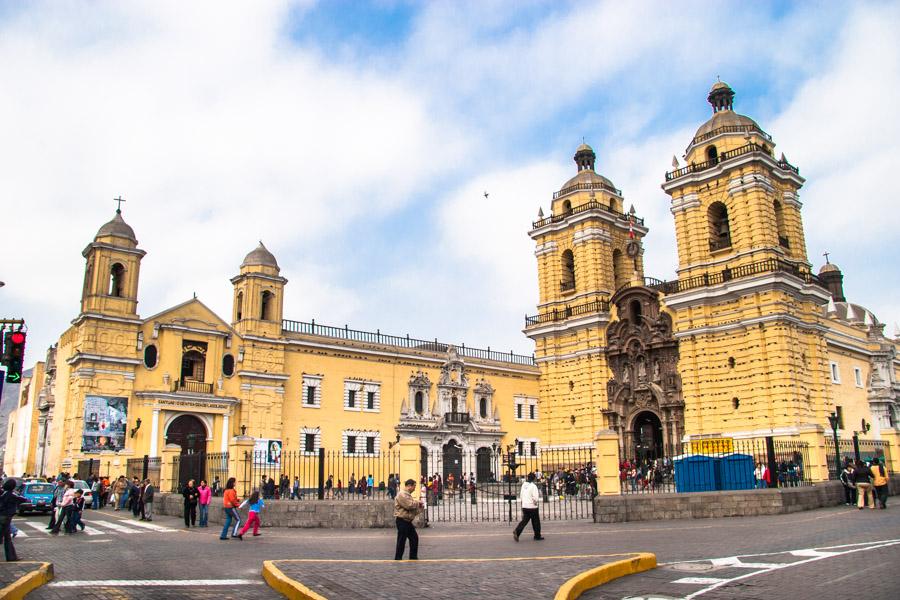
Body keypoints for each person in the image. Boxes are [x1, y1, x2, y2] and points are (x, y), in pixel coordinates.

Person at [394, 479, 423, 560]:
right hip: (402, 520)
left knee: (414, 538)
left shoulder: (407, 495)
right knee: (401, 540)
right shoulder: (402, 494)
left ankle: (413, 556)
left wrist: (419, 508)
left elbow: (412, 510)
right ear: (409, 486)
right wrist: (418, 502)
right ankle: (398, 557)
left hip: (407, 521)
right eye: (414, 486)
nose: (414, 488)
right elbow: (409, 505)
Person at [0, 478, 27, 561]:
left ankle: (11, 557)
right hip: (5, 517)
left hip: (3, 517)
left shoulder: (3, 493)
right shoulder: (11, 494)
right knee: (3, 537)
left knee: (7, 538)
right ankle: (11, 557)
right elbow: (23, 499)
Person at [513, 472, 544, 542]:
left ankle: (517, 531)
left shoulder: (523, 485)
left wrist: (524, 502)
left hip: (525, 506)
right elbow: (535, 498)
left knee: (525, 520)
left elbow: (521, 495)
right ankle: (537, 535)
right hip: (532, 507)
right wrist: (535, 503)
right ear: (534, 478)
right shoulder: (533, 486)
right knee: (536, 521)